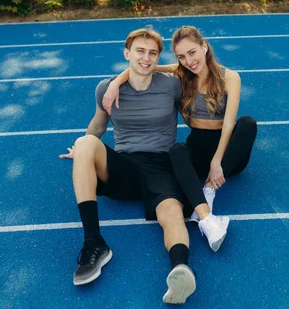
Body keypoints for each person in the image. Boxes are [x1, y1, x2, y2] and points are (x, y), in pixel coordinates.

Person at [59, 27, 229, 305]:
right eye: (140, 51)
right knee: (85, 143)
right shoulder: (105, 88)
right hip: (124, 166)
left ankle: (180, 269)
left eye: (153, 53)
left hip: (162, 164)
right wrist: (83, 152)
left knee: (173, 213)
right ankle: (94, 244)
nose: (146, 58)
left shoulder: (173, 84)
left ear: (158, 57)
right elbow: (99, 124)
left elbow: (198, 70)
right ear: (127, 53)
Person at [102, 25, 257, 223]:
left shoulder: (230, 77)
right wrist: (115, 84)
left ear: (204, 46)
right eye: (182, 57)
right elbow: (144, 67)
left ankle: (208, 189)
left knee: (247, 123)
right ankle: (201, 204)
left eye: (192, 52)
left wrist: (217, 162)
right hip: (198, 153)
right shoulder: (182, 73)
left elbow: (229, 125)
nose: (189, 61)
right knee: (176, 151)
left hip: (229, 156)